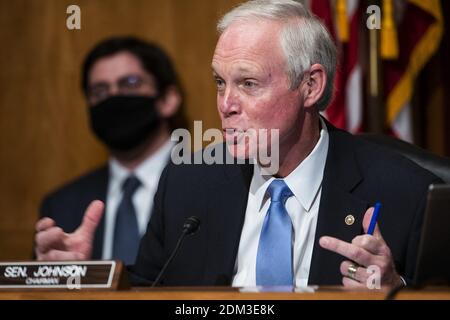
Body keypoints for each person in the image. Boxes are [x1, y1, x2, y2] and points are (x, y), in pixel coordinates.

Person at [35, 1, 440, 288]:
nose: (226, 105)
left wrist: (394, 288)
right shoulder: (187, 184)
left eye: (248, 84)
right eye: (219, 83)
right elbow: (148, 291)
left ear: (310, 85)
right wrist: (86, 281)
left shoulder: (405, 190)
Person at [36, 36, 187, 265]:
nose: (114, 97)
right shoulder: (61, 205)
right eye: (100, 91)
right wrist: (59, 276)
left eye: (130, 83)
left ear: (168, 99)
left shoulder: (215, 186)